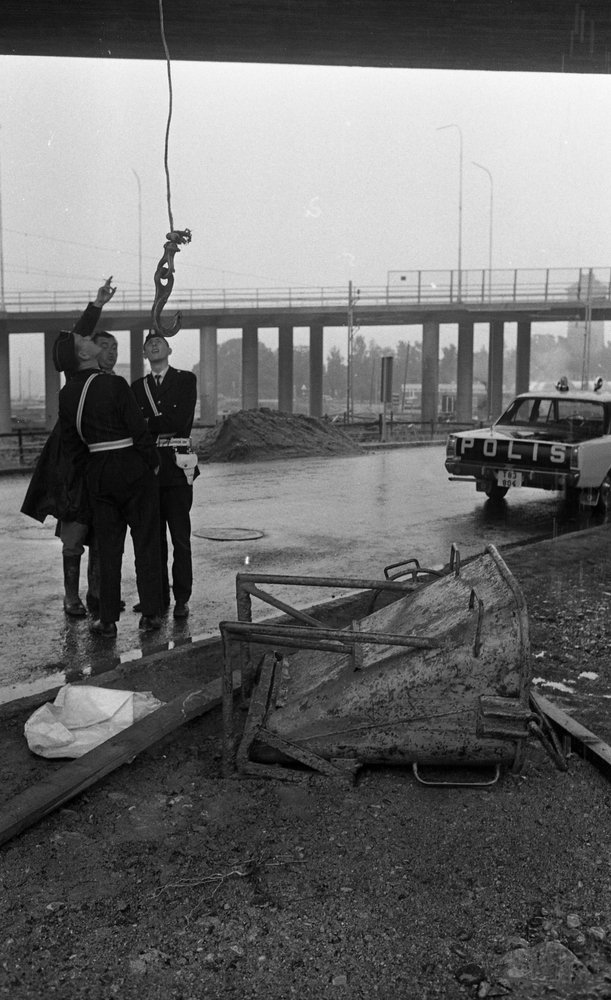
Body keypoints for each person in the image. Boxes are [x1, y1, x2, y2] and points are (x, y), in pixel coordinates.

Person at [55, 311, 164, 637]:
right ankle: (151, 615)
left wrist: (93, 472)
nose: (89, 339)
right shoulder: (114, 384)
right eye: (85, 340)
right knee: (146, 543)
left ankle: (107, 620)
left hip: (98, 475)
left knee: (108, 548)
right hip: (132, 469)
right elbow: (138, 430)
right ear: (84, 355)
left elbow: (73, 446)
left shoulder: (67, 394)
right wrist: (152, 462)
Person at [21, 280, 117, 617]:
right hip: (74, 470)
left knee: (102, 531)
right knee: (74, 534)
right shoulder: (75, 377)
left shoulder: (112, 383)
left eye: (113, 347)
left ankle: (98, 594)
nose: (108, 351)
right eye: (101, 345)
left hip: (103, 465)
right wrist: (96, 306)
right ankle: (70, 597)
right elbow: (75, 339)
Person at [131, 332, 199, 620]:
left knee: (180, 538)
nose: (154, 344)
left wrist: (148, 423)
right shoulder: (137, 387)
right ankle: (157, 596)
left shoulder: (185, 380)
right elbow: (134, 426)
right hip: (148, 469)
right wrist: (158, 424)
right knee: (153, 539)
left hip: (176, 466)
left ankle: (182, 597)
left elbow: (180, 420)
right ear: (144, 354)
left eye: (159, 342)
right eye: (149, 343)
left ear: (169, 350)